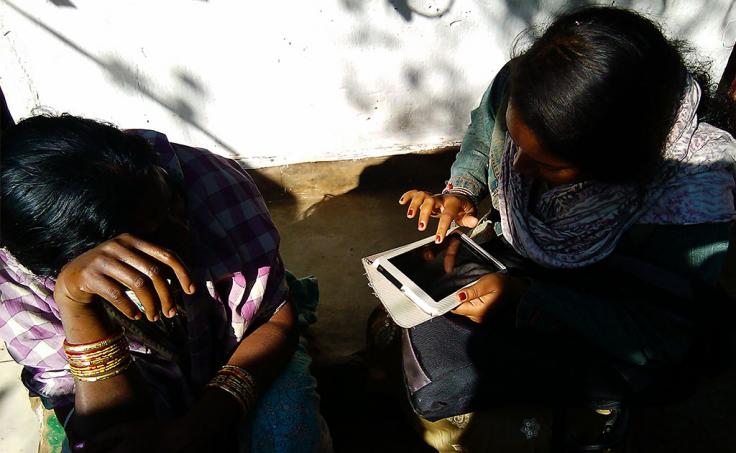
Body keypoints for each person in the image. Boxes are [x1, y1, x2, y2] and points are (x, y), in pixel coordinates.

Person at [397, 5, 735, 449]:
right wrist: (463, 188)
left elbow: (659, 337)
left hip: (608, 327)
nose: (516, 170)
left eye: (548, 165)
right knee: (421, 308)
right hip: (526, 275)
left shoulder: (691, 202)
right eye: (516, 146)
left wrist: (529, 302)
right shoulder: (522, 85)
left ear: (618, 165)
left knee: (449, 376)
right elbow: (485, 133)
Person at [0, 112, 331, 452]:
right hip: (139, 382)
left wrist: (198, 426)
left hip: (237, 347)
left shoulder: (207, 180)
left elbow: (276, 318)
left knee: (290, 436)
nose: (183, 230)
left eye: (173, 201)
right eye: (151, 238)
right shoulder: (17, 288)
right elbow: (109, 429)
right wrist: (74, 302)